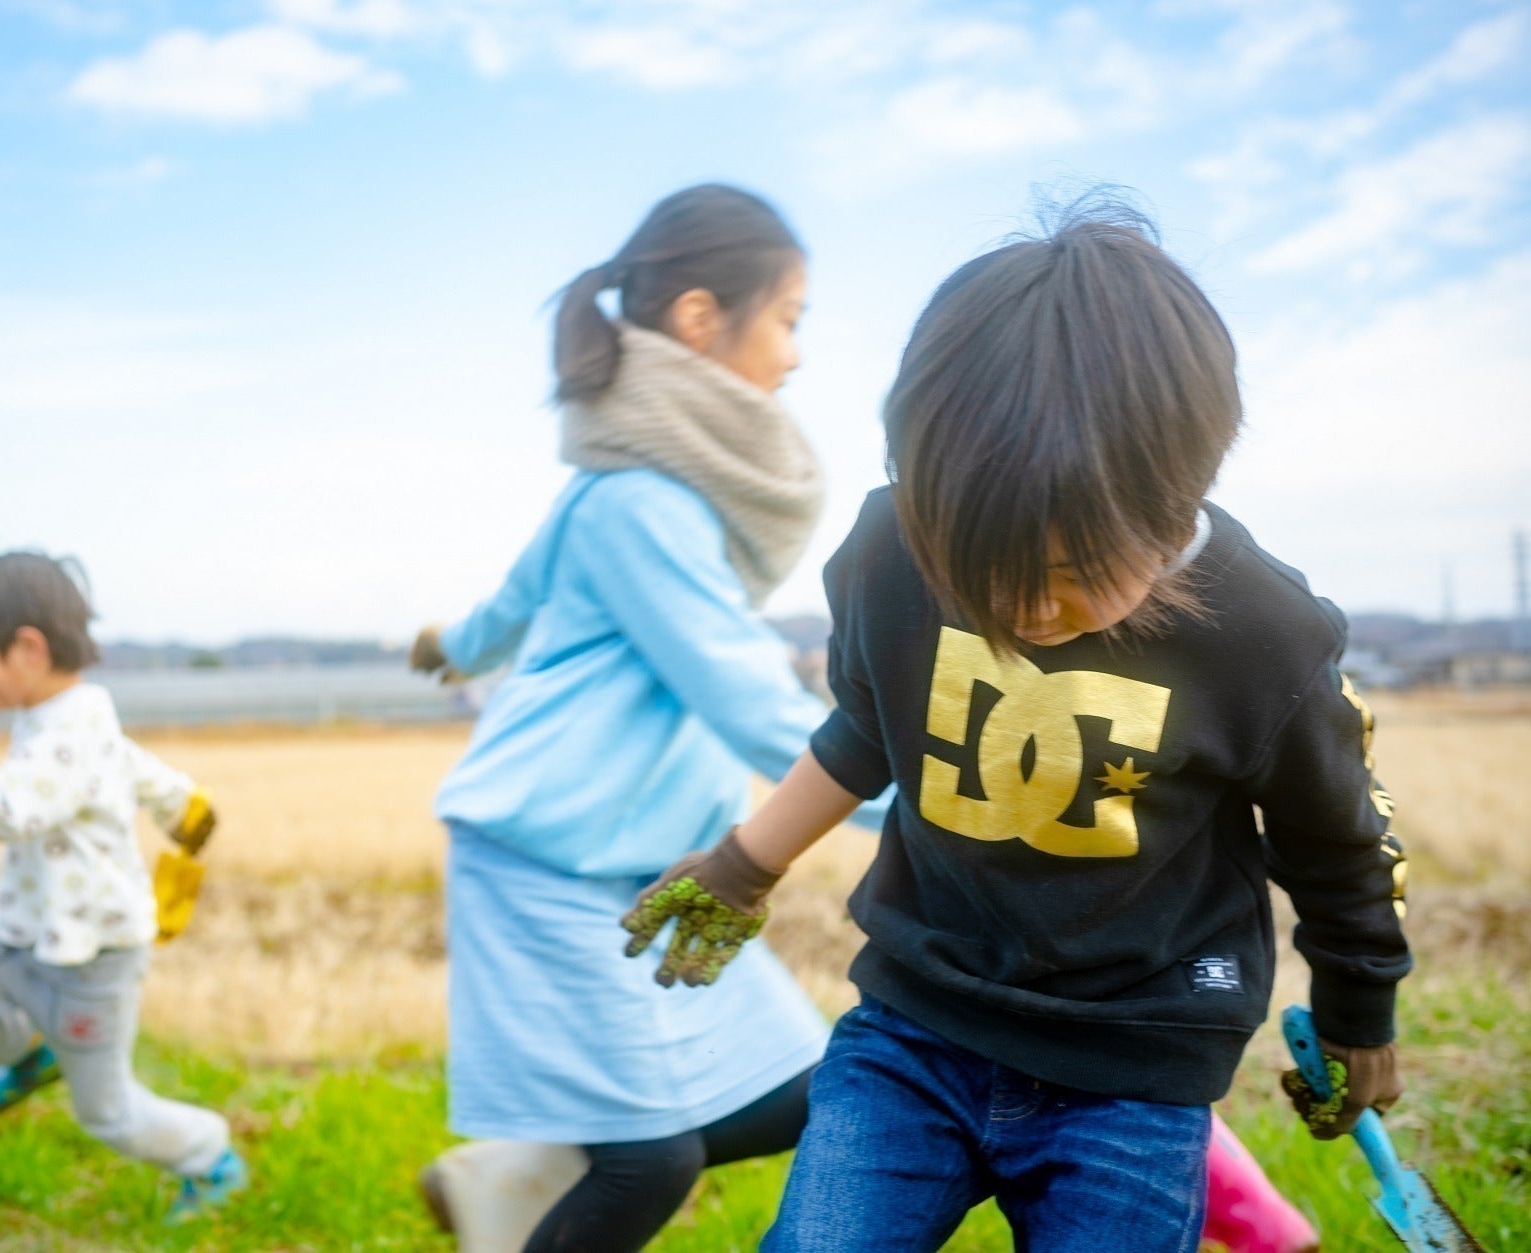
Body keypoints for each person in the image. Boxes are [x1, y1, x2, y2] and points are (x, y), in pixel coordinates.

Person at [623, 202, 1409, 1251]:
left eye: (1073, 571)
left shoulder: (1263, 636)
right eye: (976, 570)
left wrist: (1358, 1018)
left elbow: (1338, 845)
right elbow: (867, 729)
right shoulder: (890, 553)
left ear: (1172, 498)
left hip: (1134, 1066)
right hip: (913, 1029)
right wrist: (741, 863)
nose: (1023, 609)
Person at [410, 183, 885, 1253]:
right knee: (649, 1159)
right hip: (545, 862)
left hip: (642, 866)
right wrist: (928, 801)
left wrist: (454, 646)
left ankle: (513, 1178)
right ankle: (528, 1181)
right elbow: (748, 699)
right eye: (789, 318)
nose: (797, 353)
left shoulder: (624, 490)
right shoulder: (637, 504)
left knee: (813, 1087)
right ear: (700, 318)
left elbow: (505, 609)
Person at [0, 551, 247, 1222]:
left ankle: (212, 1158)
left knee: (108, 1113)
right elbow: (132, 766)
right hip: (18, 933)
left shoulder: (70, 730)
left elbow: (9, 810)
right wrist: (183, 805)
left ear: (28, 648)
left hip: (92, 960)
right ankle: (36, 1051)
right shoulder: (63, 715)